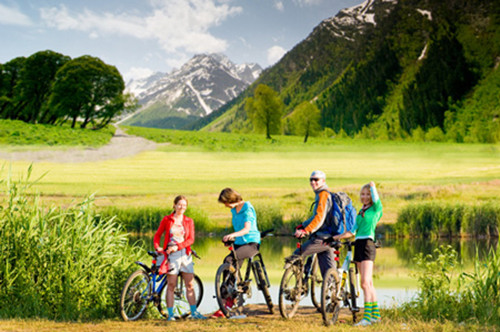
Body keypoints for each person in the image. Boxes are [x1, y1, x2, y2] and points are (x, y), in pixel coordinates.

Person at [333, 181, 382, 326]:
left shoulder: (376, 208)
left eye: (368, 194)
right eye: (363, 194)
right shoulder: (361, 211)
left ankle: (367, 318)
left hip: (368, 244)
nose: (365, 197)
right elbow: (352, 232)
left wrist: (372, 186)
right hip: (358, 245)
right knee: (366, 283)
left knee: (366, 283)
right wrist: (335, 237)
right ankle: (375, 316)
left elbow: (376, 197)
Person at [153, 195, 206, 321]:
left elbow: (191, 239)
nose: (182, 207)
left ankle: (194, 313)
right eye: (179, 204)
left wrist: (178, 246)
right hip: (172, 256)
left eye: (184, 205)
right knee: (171, 285)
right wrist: (158, 247)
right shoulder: (167, 219)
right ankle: (170, 315)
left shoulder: (189, 221)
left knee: (190, 285)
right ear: (174, 205)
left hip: (185, 254)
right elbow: (158, 235)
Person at [212, 187, 260, 318]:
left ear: (231, 199)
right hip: (238, 243)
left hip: (251, 243)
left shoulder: (247, 209)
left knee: (232, 259)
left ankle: (230, 298)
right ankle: (226, 301)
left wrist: (232, 234)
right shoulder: (234, 210)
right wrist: (231, 238)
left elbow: (246, 229)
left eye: (225, 202)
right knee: (227, 262)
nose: (225, 205)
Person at [293, 170, 336, 277]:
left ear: (323, 181)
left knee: (296, 254)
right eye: (311, 180)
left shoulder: (323, 195)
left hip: (322, 238)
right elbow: (316, 216)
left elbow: (319, 218)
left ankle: (298, 286)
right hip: (330, 236)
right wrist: (303, 225)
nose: (313, 182)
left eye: (316, 180)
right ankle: (332, 292)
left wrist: (306, 230)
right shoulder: (322, 194)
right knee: (328, 273)